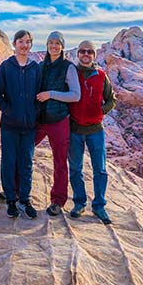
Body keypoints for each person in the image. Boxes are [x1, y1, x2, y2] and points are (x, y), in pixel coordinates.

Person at [0, 29, 42, 219]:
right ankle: (11, 200)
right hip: (9, 126)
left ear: (31, 44)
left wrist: (34, 112)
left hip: (29, 126)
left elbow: (40, 94)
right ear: (14, 44)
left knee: (26, 163)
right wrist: (9, 111)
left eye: (28, 41)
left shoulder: (35, 68)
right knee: (9, 162)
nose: (24, 45)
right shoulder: (6, 67)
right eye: (20, 41)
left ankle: (25, 199)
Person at [67, 40, 117, 224]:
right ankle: (79, 202)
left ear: (94, 55)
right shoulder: (71, 74)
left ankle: (99, 206)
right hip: (75, 129)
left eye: (89, 52)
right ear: (78, 54)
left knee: (100, 169)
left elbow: (111, 99)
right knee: (75, 168)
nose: (86, 54)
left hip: (95, 129)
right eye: (82, 51)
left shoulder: (101, 76)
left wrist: (100, 111)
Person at [35, 31, 80, 216]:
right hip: (40, 119)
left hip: (59, 120)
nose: (53, 46)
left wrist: (51, 94)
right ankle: (14, 190)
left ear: (62, 46)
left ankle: (58, 201)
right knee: (23, 151)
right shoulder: (40, 66)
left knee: (60, 161)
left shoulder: (68, 67)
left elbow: (75, 95)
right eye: (51, 43)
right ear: (47, 45)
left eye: (57, 43)